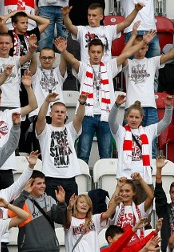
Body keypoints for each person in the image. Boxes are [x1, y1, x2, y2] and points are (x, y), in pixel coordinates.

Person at [58, 34, 154, 163]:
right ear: (88, 53)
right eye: (93, 52)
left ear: (103, 53)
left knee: (106, 155)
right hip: (87, 115)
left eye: (98, 52)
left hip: (106, 116)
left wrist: (142, 43)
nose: (96, 55)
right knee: (83, 153)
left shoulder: (109, 66)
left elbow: (125, 55)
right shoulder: (83, 67)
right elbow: (73, 60)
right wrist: (64, 51)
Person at [109, 95, 174, 183]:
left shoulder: (149, 131)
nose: (134, 120)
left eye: (137, 117)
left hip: (144, 178)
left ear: (141, 118)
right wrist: (116, 105)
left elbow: (166, 122)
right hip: (125, 177)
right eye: (131, 116)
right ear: (126, 117)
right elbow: (111, 121)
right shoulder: (120, 131)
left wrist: (169, 107)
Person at [35, 91, 86, 201]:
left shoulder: (70, 129)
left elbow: (79, 118)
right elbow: (40, 118)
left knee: (71, 212)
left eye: (62, 112)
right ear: (51, 114)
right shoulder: (46, 129)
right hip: (50, 178)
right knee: (51, 213)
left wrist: (82, 104)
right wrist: (47, 101)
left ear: (65, 115)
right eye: (56, 111)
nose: (59, 114)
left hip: (70, 178)